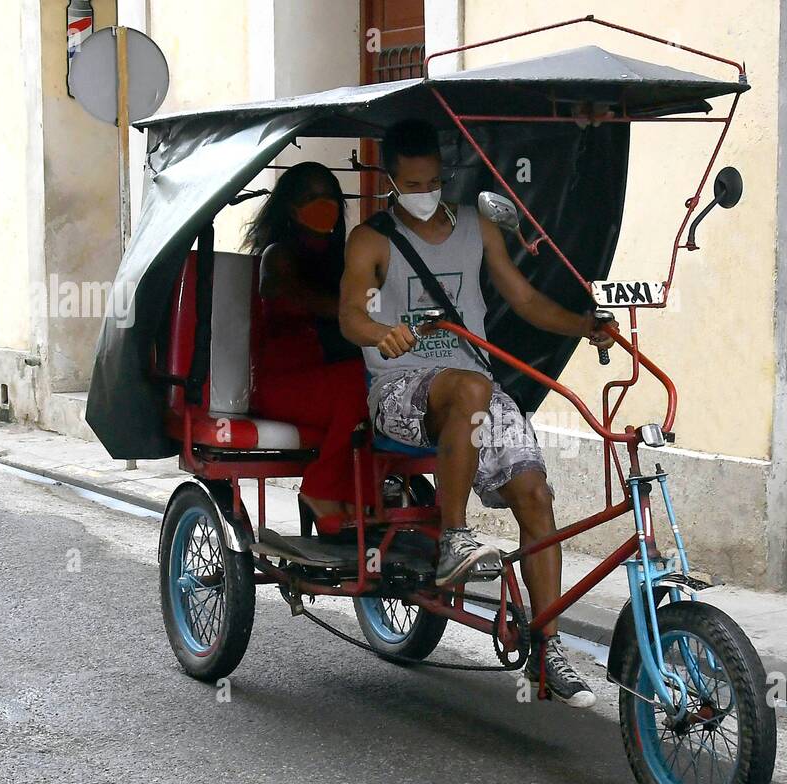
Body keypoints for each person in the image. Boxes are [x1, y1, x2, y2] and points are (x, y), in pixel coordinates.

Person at [339, 119, 616, 708]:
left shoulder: (475, 224)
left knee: (536, 496)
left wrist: (585, 325)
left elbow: (524, 297)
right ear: (391, 179)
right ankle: (454, 538)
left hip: (475, 388)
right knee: (466, 387)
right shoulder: (371, 240)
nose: (426, 192)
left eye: (435, 181)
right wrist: (381, 333)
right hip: (401, 392)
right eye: (413, 183)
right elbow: (350, 316)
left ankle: (547, 649)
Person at [244, 161, 373, 528]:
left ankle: (366, 502)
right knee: (358, 383)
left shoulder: (346, 257)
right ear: (290, 207)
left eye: (330, 196)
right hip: (285, 385)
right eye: (311, 198)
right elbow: (291, 295)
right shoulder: (278, 255)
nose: (324, 204)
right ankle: (319, 489)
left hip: (331, 378)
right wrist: (352, 311)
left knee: (384, 390)